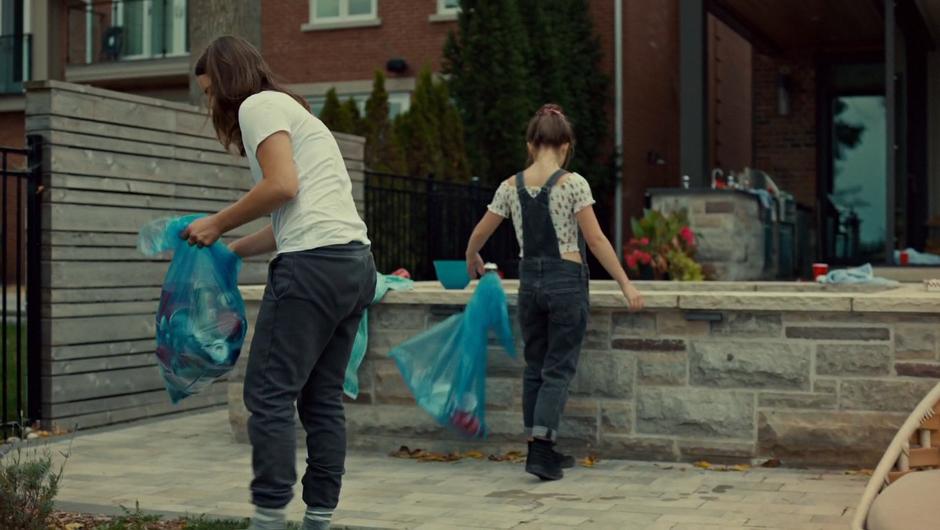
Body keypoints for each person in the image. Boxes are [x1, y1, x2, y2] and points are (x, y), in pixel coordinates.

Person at [183, 36, 376, 530]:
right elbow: (292, 216)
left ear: (227, 81)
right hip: (353, 264)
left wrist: (217, 223)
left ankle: (268, 516)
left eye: (211, 92)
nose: (212, 104)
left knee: (268, 395)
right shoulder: (296, 113)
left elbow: (281, 187)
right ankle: (319, 516)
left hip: (312, 269)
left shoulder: (258, 105)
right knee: (321, 397)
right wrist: (231, 249)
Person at [465, 103, 644, 481]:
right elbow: (594, 240)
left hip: (530, 282)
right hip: (565, 281)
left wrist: (471, 255)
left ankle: (538, 446)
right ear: (565, 145)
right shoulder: (573, 183)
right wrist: (625, 283)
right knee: (558, 368)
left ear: (531, 145)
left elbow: (481, 231)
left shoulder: (509, 186)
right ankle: (543, 452)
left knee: (536, 366)